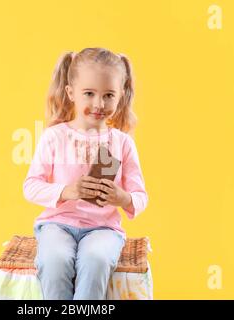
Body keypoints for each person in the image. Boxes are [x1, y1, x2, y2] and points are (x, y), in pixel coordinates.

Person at [23, 47, 148, 300]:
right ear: (71, 93)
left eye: (108, 95)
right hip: (57, 225)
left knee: (96, 259)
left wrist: (123, 198)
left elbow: (140, 196)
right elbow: (30, 186)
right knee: (55, 260)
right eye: (89, 93)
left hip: (104, 228)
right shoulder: (54, 137)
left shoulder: (122, 143)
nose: (98, 104)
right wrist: (65, 191)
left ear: (120, 95)